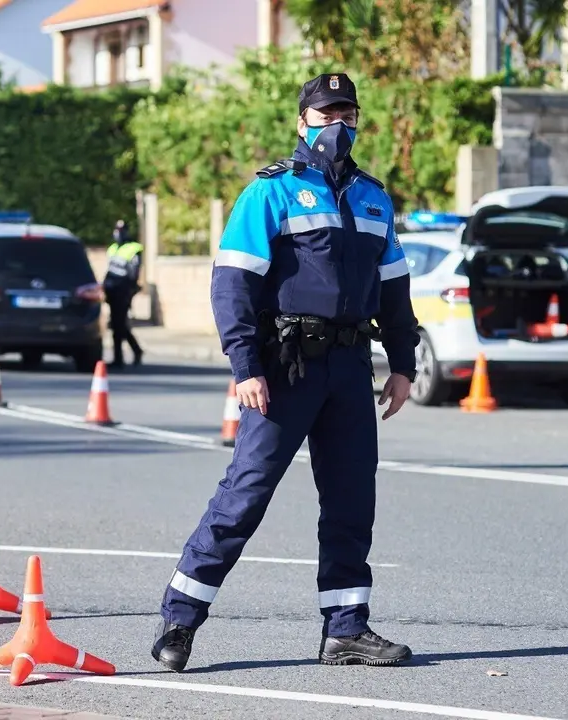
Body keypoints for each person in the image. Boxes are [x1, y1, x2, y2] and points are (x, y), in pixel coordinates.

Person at [152, 72, 420, 672]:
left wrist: (402, 364)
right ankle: (179, 620)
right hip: (285, 367)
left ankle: (346, 629)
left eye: (346, 113)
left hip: (350, 368)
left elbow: (395, 290)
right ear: (302, 122)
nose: (337, 125)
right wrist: (245, 366)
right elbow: (232, 285)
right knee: (245, 495)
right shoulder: (270, 193)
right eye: (325, 114)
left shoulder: (374, 197)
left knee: (352, 501)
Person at [102, 219, 144, 368]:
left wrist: (130, 292)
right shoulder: (112, 249)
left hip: (123, 292)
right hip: (112, 291)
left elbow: (134, 274)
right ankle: (135, 350)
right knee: (117, 325)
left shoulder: (133, 249)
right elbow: (109, 271)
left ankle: (119, 358)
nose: (118, 234)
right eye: (117, 230)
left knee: (118, 325)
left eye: (121, 230)